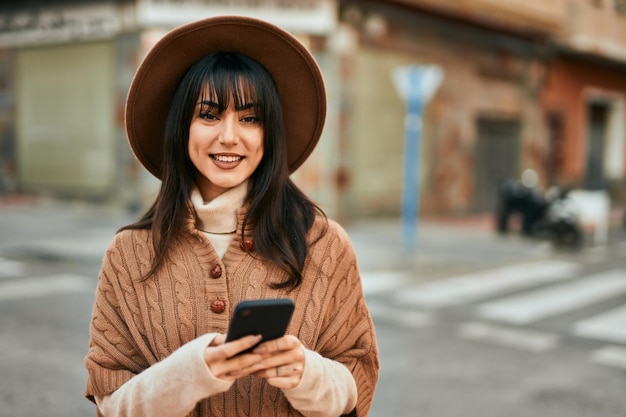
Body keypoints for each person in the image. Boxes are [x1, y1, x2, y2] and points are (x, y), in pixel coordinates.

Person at [84, 15, 379, 417]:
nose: (228, 136)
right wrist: (192, 371)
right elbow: (110, 401)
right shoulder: (127, 254)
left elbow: (357, 376)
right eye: (208, 115)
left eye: (250, 118)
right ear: (182, 127)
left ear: (269, 132)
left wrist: (307, 373)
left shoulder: (324, 244)